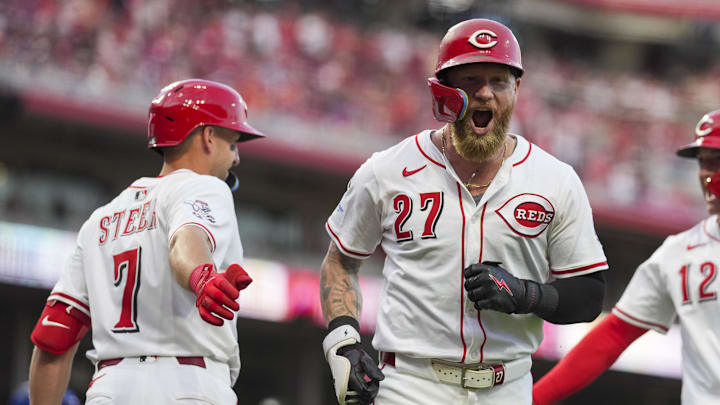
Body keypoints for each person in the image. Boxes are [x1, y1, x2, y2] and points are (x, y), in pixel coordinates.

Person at [319, 18, 608, 405]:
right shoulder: (387, 170)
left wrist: (525, 294)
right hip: (409, 384)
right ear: (444, 88)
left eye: (499, 81)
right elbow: (341, 261)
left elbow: (589, 295)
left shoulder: (556, 180)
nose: (485, 93)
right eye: (471, 80)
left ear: (517, 89)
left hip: (508, 386)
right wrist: (344, 342)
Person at [28, 79, 263, 404]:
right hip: (189, 386)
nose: (235, 157)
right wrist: (201, 276)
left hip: (109, 390)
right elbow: (186, 239)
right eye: (233, 143)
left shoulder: (100, 219)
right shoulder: (204, 187)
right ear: (209, 136)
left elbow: (53, 339)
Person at [533, 109, 720, 405]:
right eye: (703, 162)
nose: (706, 173)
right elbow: (614, 335)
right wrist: (534, 399)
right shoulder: (680, 252)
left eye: (717, 161)